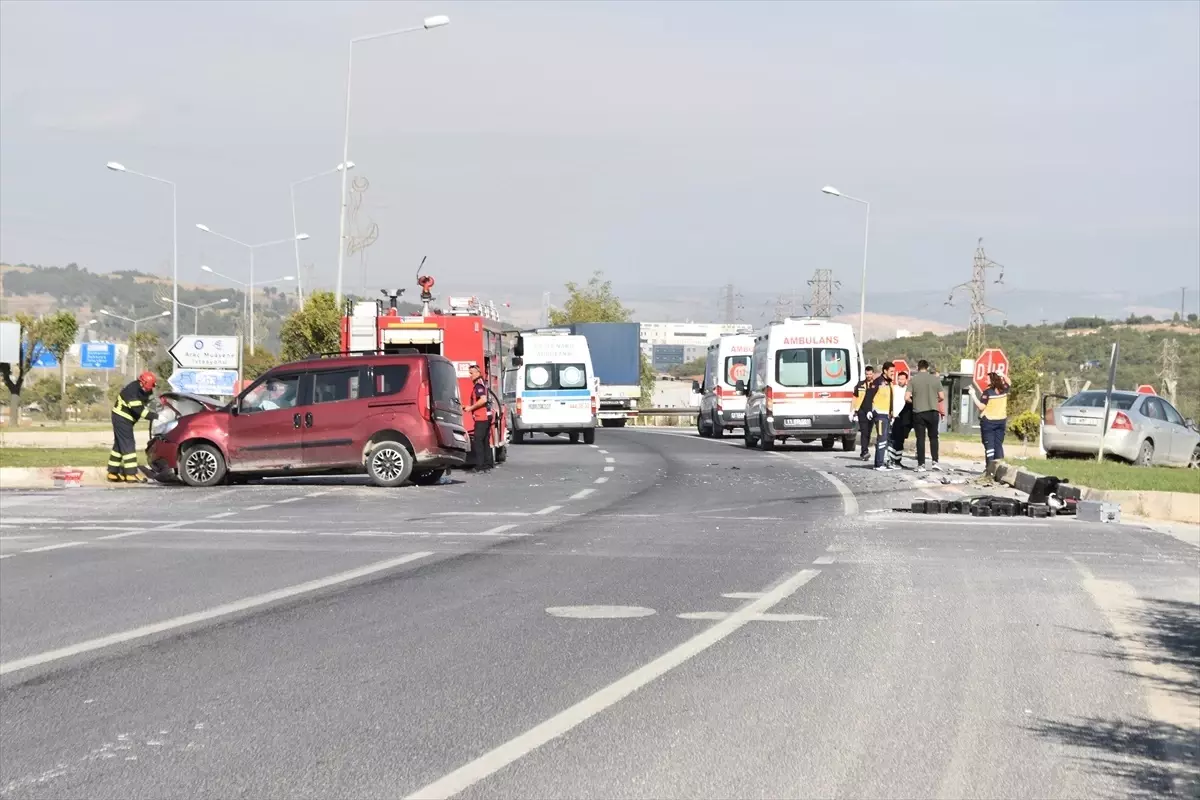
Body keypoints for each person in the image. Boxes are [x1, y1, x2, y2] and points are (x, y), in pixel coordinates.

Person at [108, 371, 157, 483]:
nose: (150, 390)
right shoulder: (132, 391)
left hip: (124, 419)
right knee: (128, 444)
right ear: (144, 383)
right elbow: (140, 411)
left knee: (119, 446)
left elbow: (150, 402)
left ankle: (112, 472)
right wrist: (156, 417)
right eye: (149, 387)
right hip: (121, 418)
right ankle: (131, 474)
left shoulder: (143, 390)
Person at [909, 359, 945, 472]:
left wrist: (915, 401)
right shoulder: (935, 379)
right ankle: (935, 461)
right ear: (928, 367)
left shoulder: (913, 380)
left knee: (920, 438)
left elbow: (906, 397)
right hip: (933, 411)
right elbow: (942, 396)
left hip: (918, 412)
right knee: (934, 437)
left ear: (917, 367)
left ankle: (921, 464)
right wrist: (934, 401)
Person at [973, 371, 1010, 471]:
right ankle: (1000, 468)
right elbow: (1009, 382)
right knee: (998, 445)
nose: (986, 380)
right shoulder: (1004, 390)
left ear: (992, 381)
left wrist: (973, 395)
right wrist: (1003, 374)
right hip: (1001, 421)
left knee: (989, 446)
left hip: (988, 422)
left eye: (988, 378)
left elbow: (981, 407)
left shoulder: (988, 392)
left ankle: (989, 469)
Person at [862, 361, 895, 471]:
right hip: (879, 415)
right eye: (891, 371)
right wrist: (868, 410)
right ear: (885, 371)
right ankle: (878, 464)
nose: (893, 373)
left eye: (894, 372)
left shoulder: (889, 383)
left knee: (885, 439)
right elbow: (868, 396)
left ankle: (882, 462)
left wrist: (892, 413)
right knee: (881, 439)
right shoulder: (877, 382)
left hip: (887, 415)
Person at [465, 364, 494, 472]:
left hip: (481, 417)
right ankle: (488, 463)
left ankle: (480, 465)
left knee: (478, 441)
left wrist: (471, 408)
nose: (470, 375)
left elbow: (483, 399)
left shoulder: (478, 385)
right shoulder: (483, 383)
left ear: (478, 373)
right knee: (485, 440)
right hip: (486, 416)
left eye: (471, 373)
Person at [886, 370, 913, 468]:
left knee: (900, 441)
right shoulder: (894, 389)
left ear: (906, 380)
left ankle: (897, 460)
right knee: (891, 440)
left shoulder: (909, 390)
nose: (900, 381)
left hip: (902, 419)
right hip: (893, 417)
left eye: (902, 379)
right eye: (899, 379)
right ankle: (890, 460)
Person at [852, 366, 876, 460]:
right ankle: (864, 451)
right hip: (862, 411)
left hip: (873, 411)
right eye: (867, 374)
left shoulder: (876, 384)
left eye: (870, 374)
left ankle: (865, 450)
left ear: (873, 374)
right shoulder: (860, 384)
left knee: (869, 432)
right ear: (865, 374)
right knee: (864, 431)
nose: (869, 376)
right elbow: (855, 397)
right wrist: (853, 410)